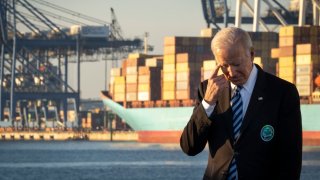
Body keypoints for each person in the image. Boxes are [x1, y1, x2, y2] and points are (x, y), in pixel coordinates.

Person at [180, 27, 302, 180]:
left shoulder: (282, 93)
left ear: (251, 54)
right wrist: (208, 103)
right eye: (224, 66)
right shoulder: (207, 90)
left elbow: (291, 160)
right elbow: (189, 147)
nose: (231, 72)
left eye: (236, 64)